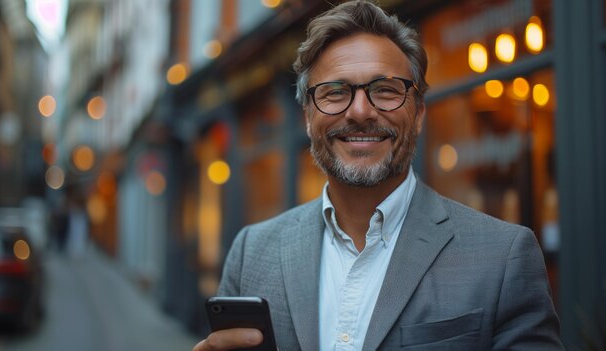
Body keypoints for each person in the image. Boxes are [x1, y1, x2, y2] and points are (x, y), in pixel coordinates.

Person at [194, 1, 563, 350]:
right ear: (307, 117)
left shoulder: (504, 256)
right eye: (335, 92)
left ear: (418, 114)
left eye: (385, 90)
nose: (359, 112)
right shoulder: (252, 252)